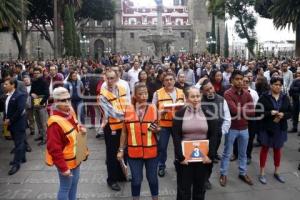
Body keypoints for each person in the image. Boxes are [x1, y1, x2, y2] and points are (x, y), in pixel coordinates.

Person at [173, 87, 218, 200]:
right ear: (187, 98)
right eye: (192, 96)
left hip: (203, 159)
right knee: (184, 190)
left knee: (200, 189)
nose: (195, 99)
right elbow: (176, 136)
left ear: (201, 97)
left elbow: (214, 135)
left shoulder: (208, 112)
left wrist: (210, 155)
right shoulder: (179, 114)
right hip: (185, 160)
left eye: (198, 96)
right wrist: (180, 157)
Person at [117, 83, 160, 200]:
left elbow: (159, 128)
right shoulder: (128, 109)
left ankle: (155, 198)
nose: (144, 96)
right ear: (135, 95)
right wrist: (121, 149)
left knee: (152, 178)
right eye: (140, 94)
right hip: (133, 152)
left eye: (145, 93)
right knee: (136, 180)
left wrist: (157, 130)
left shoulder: (153, 108)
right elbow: (124, 132)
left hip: (152, 151)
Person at [45, 87, 88, 200]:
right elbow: (54, 149)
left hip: (76, 156)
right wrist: (63, 168)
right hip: (66, 161)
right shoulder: (54, 122)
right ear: (56, 101)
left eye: (68, 99)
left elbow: (76, 126)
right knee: (65, 187)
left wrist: (82, 129)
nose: (67, 103)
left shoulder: (69, 111)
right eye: (63, 100)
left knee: (74, 184)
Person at [219, 70, 255, 187]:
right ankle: (223, 173)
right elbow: (233, 110)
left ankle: (242, 172)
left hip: (244, 128)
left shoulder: (247, 94)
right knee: (227, 152)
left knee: (243, 153)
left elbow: (253, 111)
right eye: (237, 79)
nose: (240, 81)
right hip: (232, 128)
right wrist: (245, 110)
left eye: (241, 79)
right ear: (232, 80)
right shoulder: (228, 94)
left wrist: (243, 111)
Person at [256, 77, 292, 184]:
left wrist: (283, 115)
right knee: (265, 149)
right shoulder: (264, 97)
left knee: (277, 150)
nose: (278, 87)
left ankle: (277, 171)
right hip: (266, 127)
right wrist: (269, 113)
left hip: (280, 128)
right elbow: (257, 112)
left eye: (280, 85)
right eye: (276, 84)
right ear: (271, 85)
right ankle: (262, 172)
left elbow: (290, 112)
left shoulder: (285, 97)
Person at [99, 70, 129, 191]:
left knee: (123, 151)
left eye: (113, 78)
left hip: (123, 126)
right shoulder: (102, 95)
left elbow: (128, 103)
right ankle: (112, 179)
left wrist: (129, 115)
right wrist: (127, 115)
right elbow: (111, 112)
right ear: (105, 78)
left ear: (117, 78)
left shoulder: (122, 89)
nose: (110, 81)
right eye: (108, 78)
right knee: (111, 155)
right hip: (111, 127)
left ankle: (122, 175)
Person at [152, 72, 185, 177]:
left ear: (175, 80)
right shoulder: (157, 93)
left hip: (178, 124)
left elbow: (186, 107)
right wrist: (160, 113)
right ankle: (161, 166)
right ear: (163, 82)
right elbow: (152, 110)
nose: (169, 81)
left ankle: (178, 164)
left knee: (178, 146)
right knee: (162, 147)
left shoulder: (181, 92)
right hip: (164, 125)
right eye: (166, 80)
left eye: (171, 79)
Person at [200, 79, 231, 189]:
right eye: (207, 89)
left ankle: (206, 179)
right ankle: (198, 178)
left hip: (215, 136)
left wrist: (220, 132)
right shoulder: (198, 100)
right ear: (202, 92)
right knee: (199, 157)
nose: (210, 91)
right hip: (201, 136)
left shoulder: (222, 100)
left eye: (211, 88)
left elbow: (227, 119)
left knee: (211, 157)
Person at [3, 79, 27, 175]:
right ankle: (23, 157)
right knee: (19, 141)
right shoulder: (8, 95)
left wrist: (10, 120)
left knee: (18, 144)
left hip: (18, 123)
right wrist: (5, 118)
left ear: (13, 85)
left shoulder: (20, 95)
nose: (4, 86)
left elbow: (20, 110)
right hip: (11, 123)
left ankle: (16, 164)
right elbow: (7, 108)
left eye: (6, 84)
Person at [30, 67, 49, 145]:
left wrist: (41, 102)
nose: (36, 74)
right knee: (38, 121)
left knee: (43, 122)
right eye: (35, 73)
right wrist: (32, 94)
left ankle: (45, 138)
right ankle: (41, 135)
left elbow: (47, 94)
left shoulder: (44, 82)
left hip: (41, 104)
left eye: (38, 73)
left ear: (41, 73)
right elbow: (31, 91)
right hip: (35, 103)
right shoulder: (34, 82)